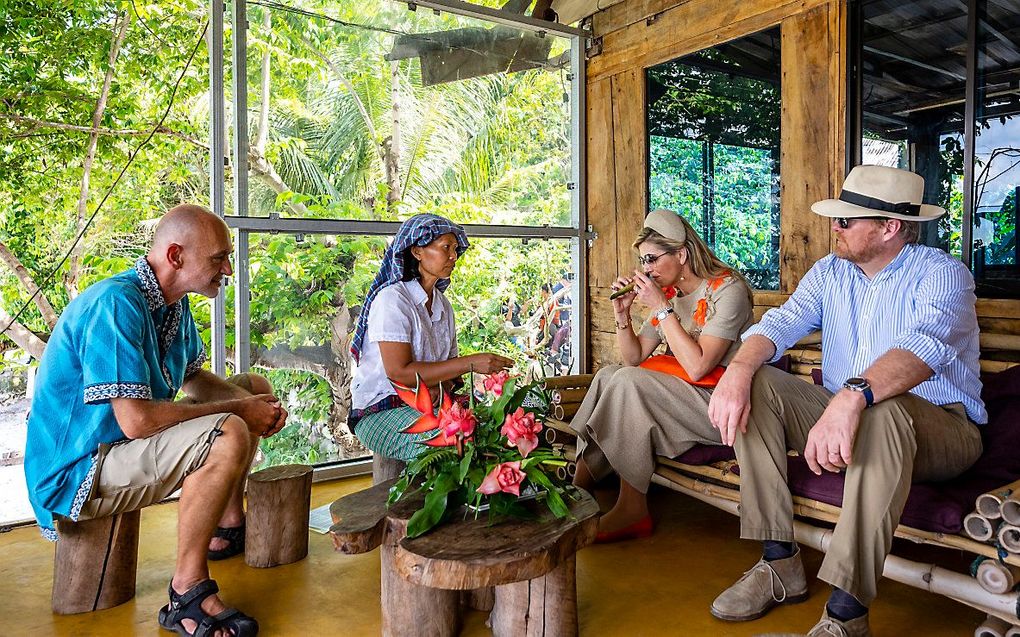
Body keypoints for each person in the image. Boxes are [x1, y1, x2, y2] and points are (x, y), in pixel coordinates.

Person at [707, 165, 985, 637]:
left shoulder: (942, 274)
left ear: (890, 227)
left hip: (940, 428)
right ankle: (780, 564)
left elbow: (924, 346)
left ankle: (846, 613)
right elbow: (780, 323)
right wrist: (738, 368)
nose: (834, 227)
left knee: (885, 408)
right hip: (847, 413)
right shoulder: (831, 272)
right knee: (757, 382)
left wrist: (854, 396)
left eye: (846, 220)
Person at [25, 204, 288, 637]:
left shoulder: (172, 304)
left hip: (121, 449)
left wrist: (255, 402)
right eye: (218, 258)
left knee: (253, 386)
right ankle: (187, 591)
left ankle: (226, 526)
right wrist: (240, 410)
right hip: (79, 469)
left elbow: (191, 377)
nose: (227, 268)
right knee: (228, 430)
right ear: (176, 256)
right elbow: (138, 422)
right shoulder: (116, 303)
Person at [570, 209, 754, 543]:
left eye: (652, 259)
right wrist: (622, 315)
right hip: (682, 397)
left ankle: (632, 507)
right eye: (643, 262)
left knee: (626, 382)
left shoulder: (729, 290)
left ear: (681, 253)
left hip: (721, 404)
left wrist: (660, 308)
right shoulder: (669, 295)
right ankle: (577, 489)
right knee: (610, 375)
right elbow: (633, 357)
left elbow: (699, 367)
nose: (647, 270)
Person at [349, 213, 513, 462]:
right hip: (381, 411)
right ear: (417, 252)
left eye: (456, 249)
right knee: (454, 449)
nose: (453, 257)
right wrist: (471, 363)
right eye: (446, 247)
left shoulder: (442, 305)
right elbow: (400, 373)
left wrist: (441, 386)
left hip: (432, 406)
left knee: (498, 434)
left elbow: (447, 372)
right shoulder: (392, 300)